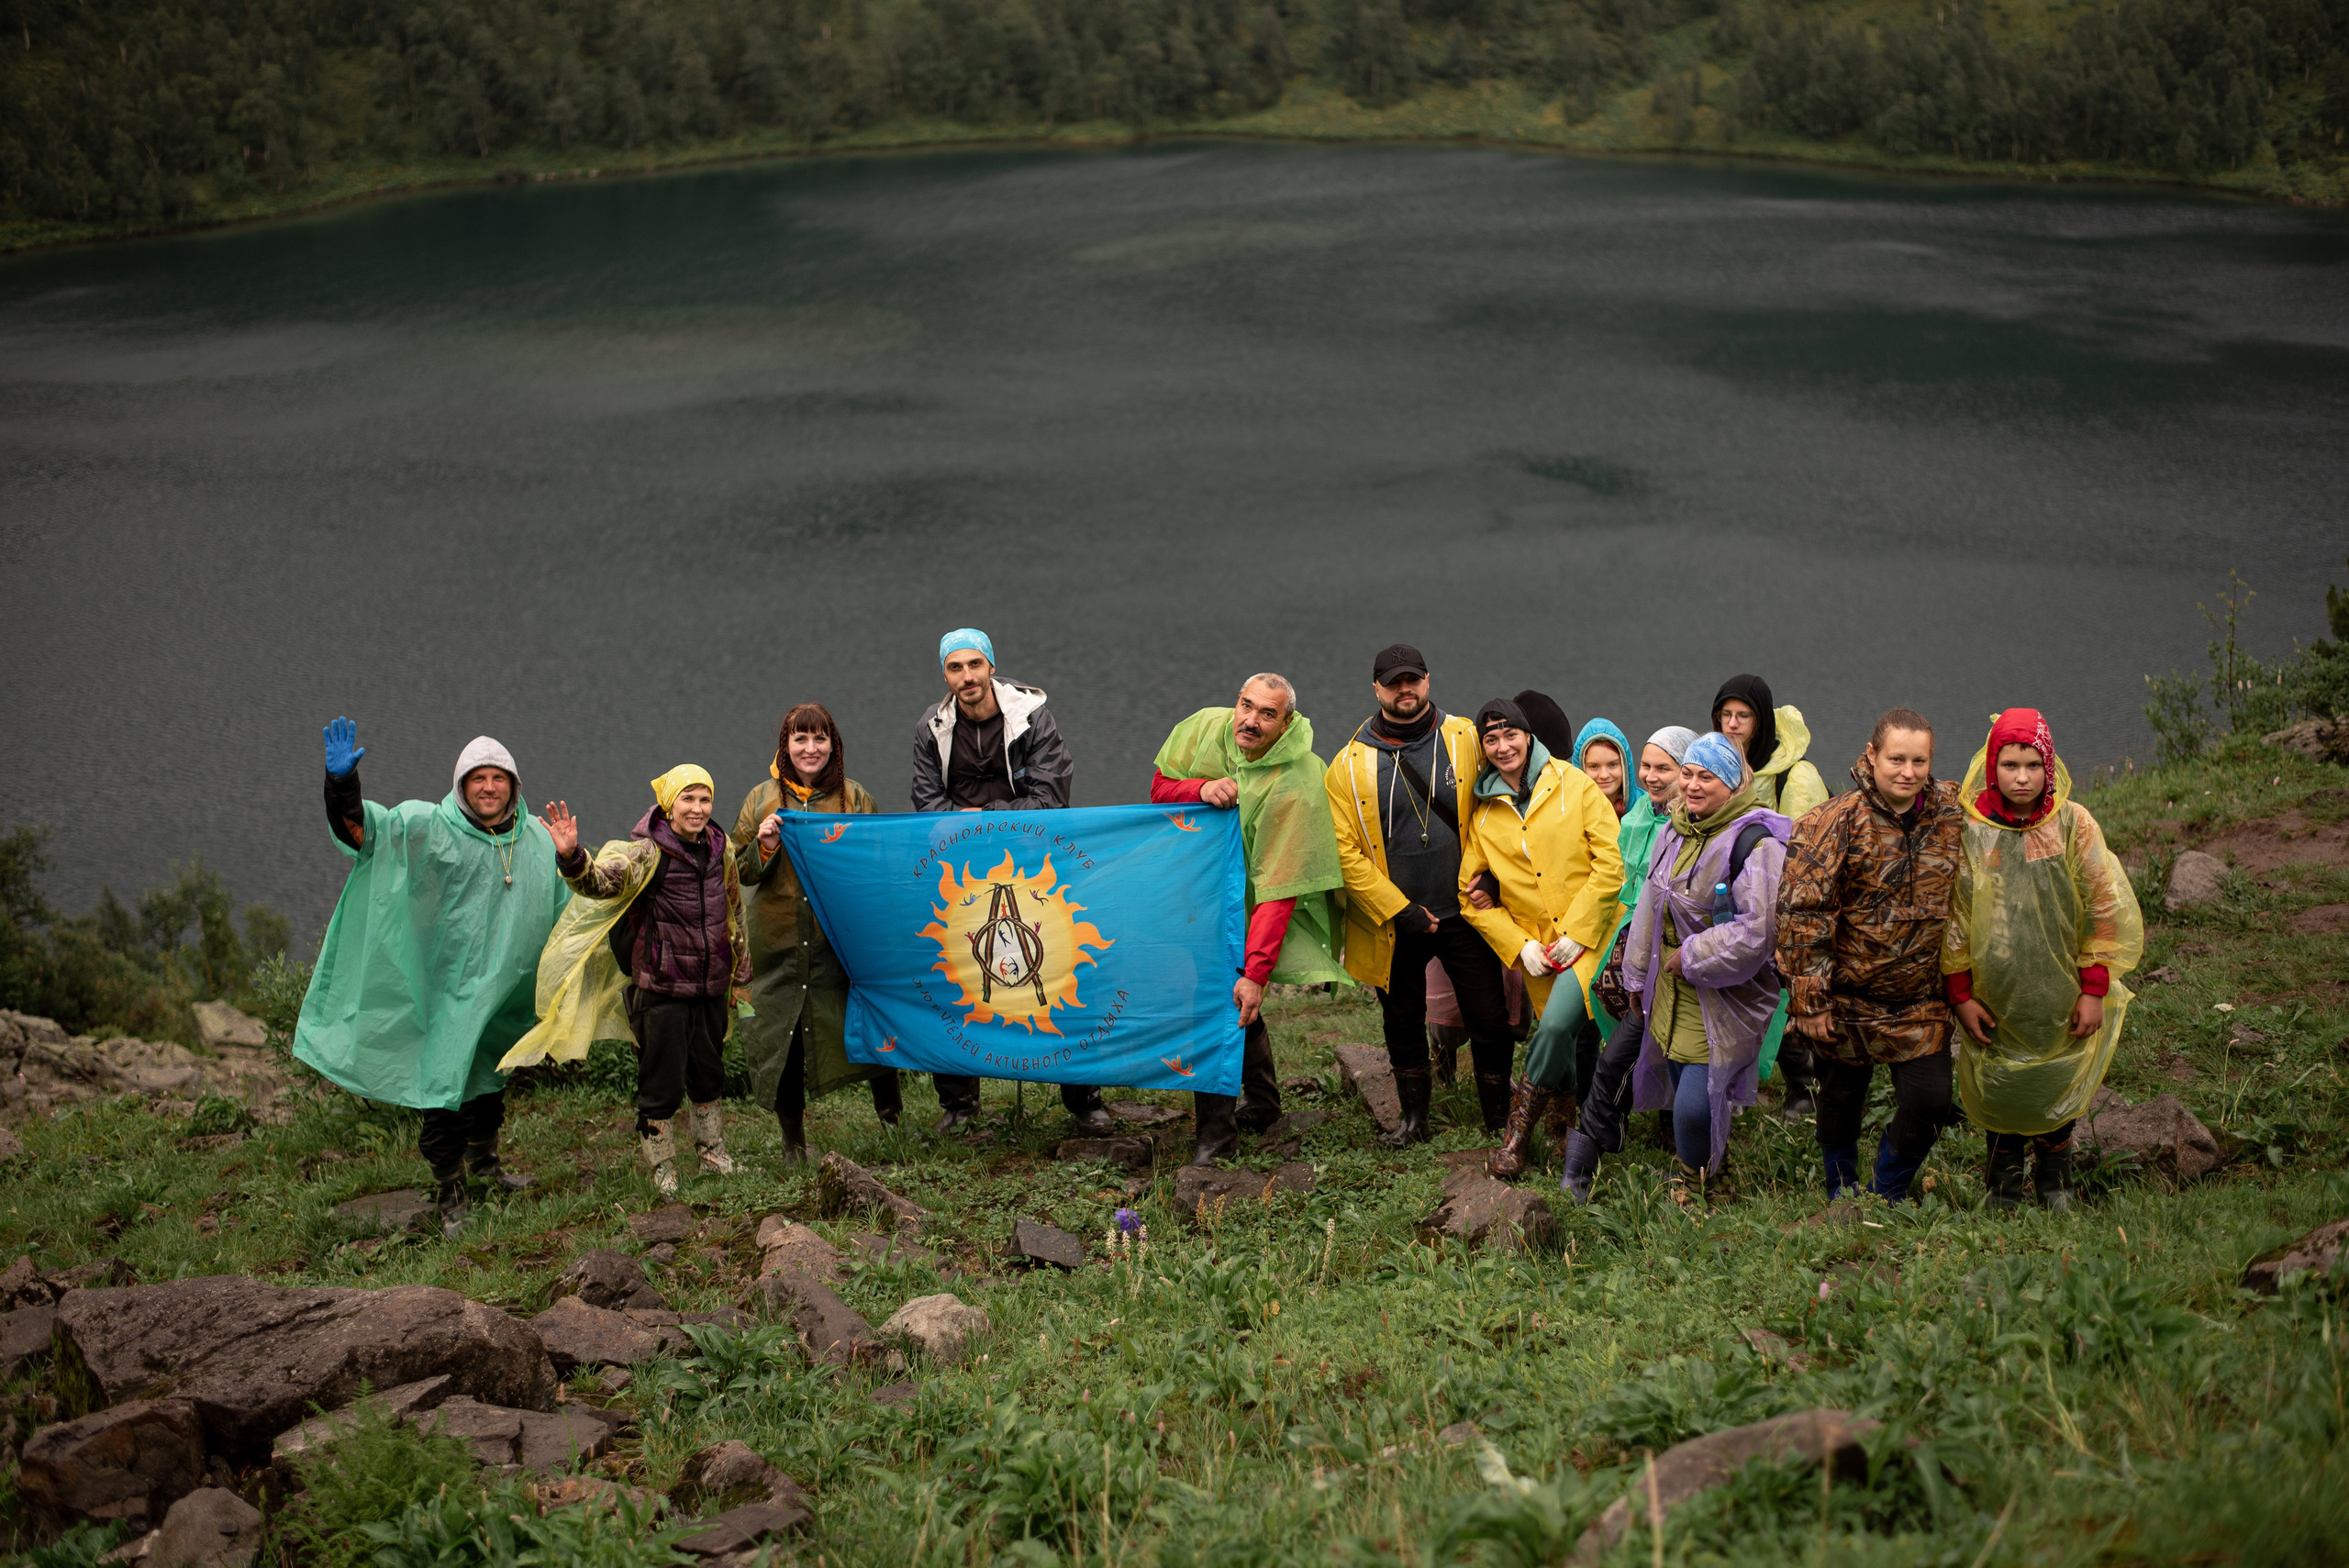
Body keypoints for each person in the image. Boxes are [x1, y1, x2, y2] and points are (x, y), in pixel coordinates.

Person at [295, 720, 567, 1238]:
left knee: (490, 1077)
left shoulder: (535, 838)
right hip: (448, 985)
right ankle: (451, 1192)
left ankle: (486, 1165)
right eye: (478, 778)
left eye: (499, 778)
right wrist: (342, 787)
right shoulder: (430, 827)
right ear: (461, 785)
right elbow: (367, 833)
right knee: (445, 1087)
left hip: (504, 987)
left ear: (514, 784)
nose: (489, 787)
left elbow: (571, 898)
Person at [912, 628, 1111, 1136]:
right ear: (945, 675)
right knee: (956, 972)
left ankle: (1083, 1097)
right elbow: (926, 805)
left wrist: (978, 817)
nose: (967, 677)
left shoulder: (1032, 717)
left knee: (1064, 969)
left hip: (1037, 863)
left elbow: (1050, 798)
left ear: (991, 667)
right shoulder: (931, 730)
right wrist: (980, 824)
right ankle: (959, 1103)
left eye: (975, 665)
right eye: (955, 668)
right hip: (965, 871)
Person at [1944, 708, 2143, 1213]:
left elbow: (2104, 905)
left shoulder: (2074, 825)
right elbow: (1957, 917)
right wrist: (1961, 995)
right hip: (1994, 988)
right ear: (1993, 766)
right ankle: (2003, 1187)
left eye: (2033, 765)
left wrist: (2094, 988)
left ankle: (2056, 1184)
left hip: (2060, 988)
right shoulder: (1973, 830)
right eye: (2010, 765)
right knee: (1999, 1085)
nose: (2022, 778)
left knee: (2055, 1081)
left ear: (2049, 767)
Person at [1152, 674, 1348, 1164]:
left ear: (1286, 724)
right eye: (1247, 705)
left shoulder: (1299, 781)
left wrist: (1255, 973)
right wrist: (1200, 788)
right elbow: (1158, 789)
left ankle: (1216, 1140)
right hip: (1198, 891)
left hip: (1259, 893)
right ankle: (1262, 1104)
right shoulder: (1203, 728)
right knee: (1224, 997)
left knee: (1221, 1000)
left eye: (1267, 714)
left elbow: (1280, 891)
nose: (1250, 720)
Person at [1324, 644, 1511, 1146]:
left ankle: (1499, 1120)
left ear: (1427, 681)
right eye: (1393, 682)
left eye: (1413, 679)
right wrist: (1398, 908)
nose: (1404, 689)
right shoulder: (1348, 764)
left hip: (1467, 910)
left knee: (1490, 1018)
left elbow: (1502, 809)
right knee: (1401, 1018)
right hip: (1397, 920)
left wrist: (1494, 876)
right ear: (1377, 689)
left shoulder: (1467, 736)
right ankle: (1414, 1121)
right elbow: (1345, 854)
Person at [1776, 708, 1965, 1203]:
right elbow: (1802, 912)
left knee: (1931, 1101)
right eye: (1896, 758)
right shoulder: (1833, 821)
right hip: (1845, 997)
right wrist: (1810, 1000)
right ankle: (1841, 1188)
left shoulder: (1951, 814)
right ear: (1871, 756)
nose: (1908, 771)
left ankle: (1888, 1189)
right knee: (1841, 1098)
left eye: (1919, 760)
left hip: (1919, 999)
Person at [540, 766, 750, 1197]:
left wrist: (740, 972)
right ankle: (663, 1166)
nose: (697, 808)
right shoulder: (647, 853)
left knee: (708, 1075)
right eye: (687, 799)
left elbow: (735, 910)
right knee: (662, 1082)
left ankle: (712, 1152)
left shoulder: (720, 846)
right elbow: (601, 883)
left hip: (710, 986)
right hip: (662, 989)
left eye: (704, 799)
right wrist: (572, 858)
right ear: (669, 804)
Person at [1620, 732, 1791, 1200]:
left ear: (1733, 784)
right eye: (1689, 774)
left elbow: (1758, 931)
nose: (1693, 786)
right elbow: (1649, 906)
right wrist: (1636, 973)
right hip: (1669, 984)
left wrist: (1690, 956)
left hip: (1723, 990)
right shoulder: (1674, 829)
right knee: (1682, 1084)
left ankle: (1696, 1180)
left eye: (1707, 777)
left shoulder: (1756, 844)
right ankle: (1708, 1168)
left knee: (1696, 1103)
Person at [1458, 701, 1625, 1176]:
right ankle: (1562, 1125)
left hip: (1591, 940)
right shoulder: (1485, 811)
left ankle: (1517, 1136)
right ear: (1484, 749)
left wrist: (1577, 932)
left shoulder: (1574, 784)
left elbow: (1611, 864)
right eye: (1491, 740)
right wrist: (1517, 945)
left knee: (1552, 1028)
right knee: (1567, 1043)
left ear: (1528, 736)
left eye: (1510, 734)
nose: (1503, 746)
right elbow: (1469, 895)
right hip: (1539, 951)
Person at [733, 704, 899, 1163]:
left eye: (819, 738)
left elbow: (879, 864)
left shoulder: (856, 798)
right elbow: (738, 872)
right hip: (779, 946)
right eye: (800, 739)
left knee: (872, 1023)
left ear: (834, 744)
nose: (810, 748)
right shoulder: (760, 799)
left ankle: (893, 1125)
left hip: (840, 944)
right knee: (782, 1036)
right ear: (785, 746)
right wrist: (764, 845)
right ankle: (793, 1144)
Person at [1558, 724, 1696, 1202]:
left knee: (1682, 1062)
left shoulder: (1702, 827)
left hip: (1690, 969)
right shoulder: (1639, 816)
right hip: (1641, 962)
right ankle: (1588, 1150)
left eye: (1667, 768)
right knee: (1616, 1056)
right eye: (1649, 767)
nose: (1653, 778)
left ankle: (1686, 1150)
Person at [1710, 673, 1827, 1119]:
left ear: (1762, 723)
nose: (1734, 725)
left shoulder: (1796, 776)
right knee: (1742, 990)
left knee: (1777, 993)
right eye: (1726, 715)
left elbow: (1809, 858)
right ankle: (1742, 1084)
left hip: (1784, 905)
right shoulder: (1719, 766)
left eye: (1744, 716)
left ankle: (1805, 1085)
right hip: (1734, 901)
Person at [1572, 717, 1633, 818]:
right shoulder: (1566, 811)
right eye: (1594, 766)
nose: (1604, 775)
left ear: (1625, 765)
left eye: (1612, 764)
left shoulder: (1648, 808)